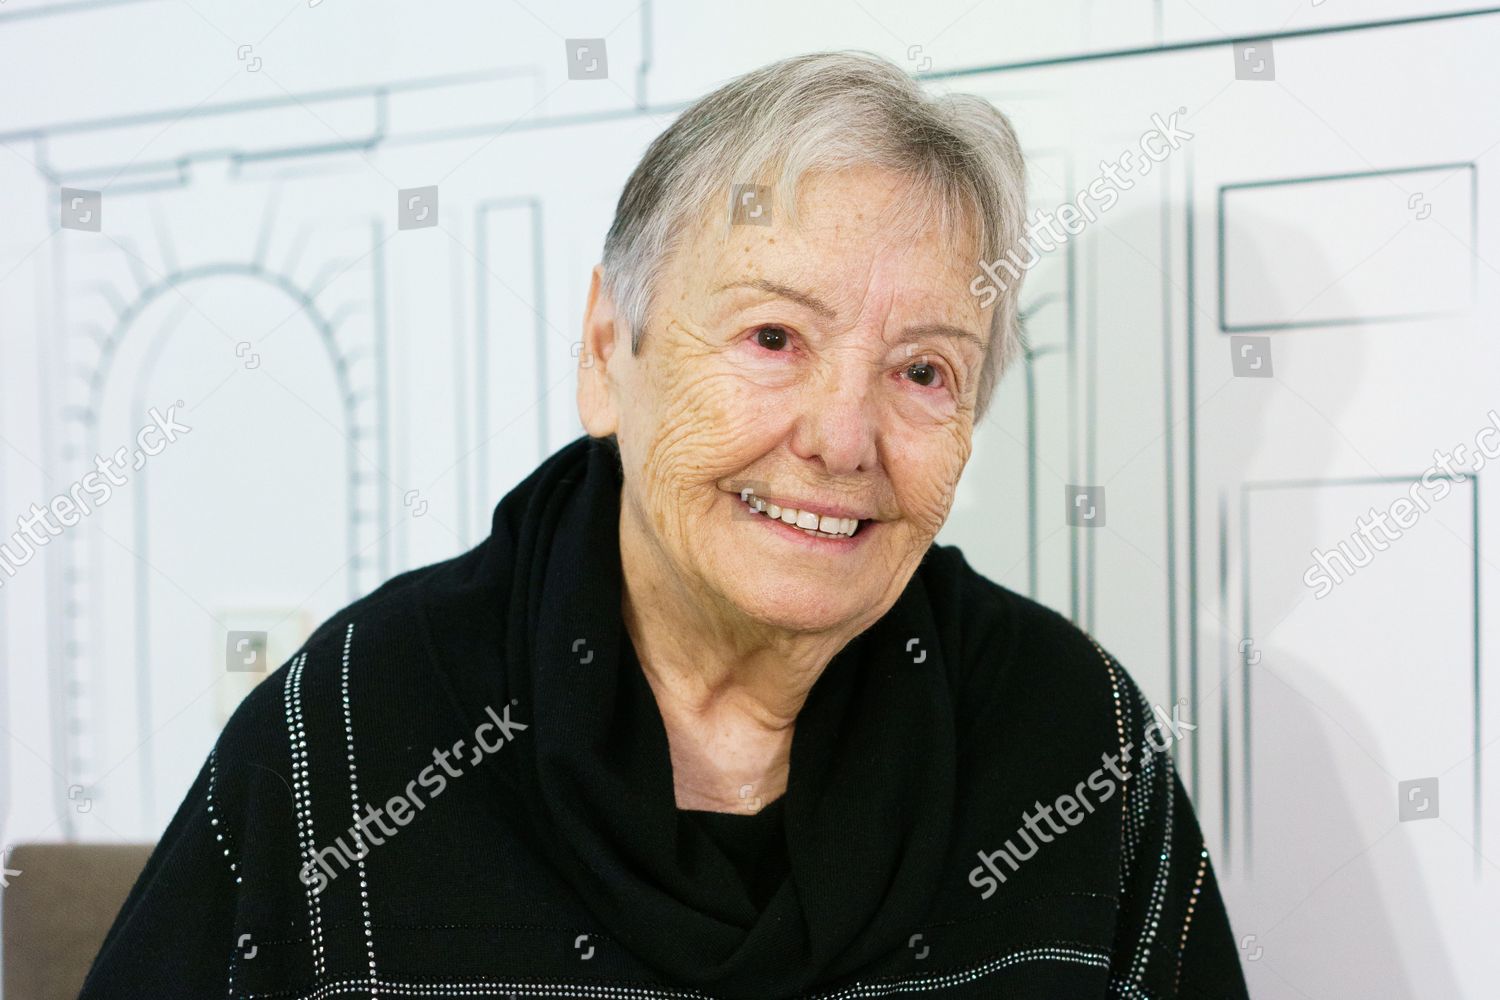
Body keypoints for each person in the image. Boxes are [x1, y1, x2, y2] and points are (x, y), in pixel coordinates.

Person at [80, 50, 1249, 999]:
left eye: (925, 371)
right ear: (606, 352)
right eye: (773, 338)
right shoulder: (356, 724)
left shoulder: (1069, 737)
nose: (843, 439)